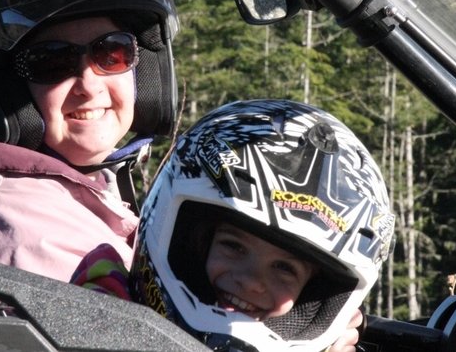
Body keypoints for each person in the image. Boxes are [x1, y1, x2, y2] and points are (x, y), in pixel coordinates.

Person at [0, 0, 179, 282]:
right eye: (52, 61)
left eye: (113, 52)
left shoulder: (72, 192)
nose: (89, 86)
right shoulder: (24, 228)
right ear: (3, 92)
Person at [126, 99, 396, 351]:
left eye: (284, 268)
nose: (252, 282)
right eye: (234, 246)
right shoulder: (103, 293)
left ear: (317, 294)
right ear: (192, 242)